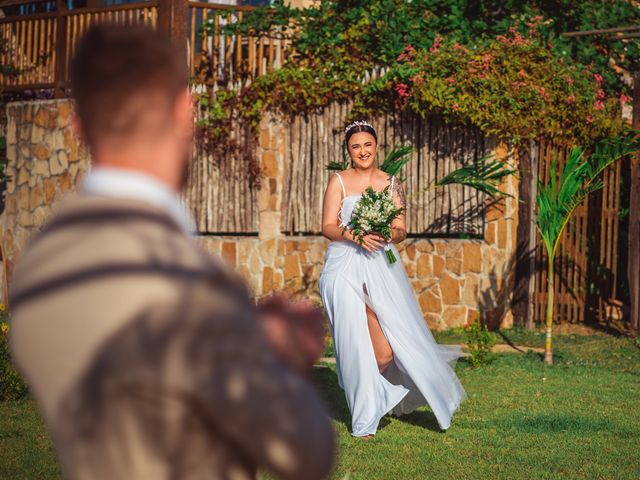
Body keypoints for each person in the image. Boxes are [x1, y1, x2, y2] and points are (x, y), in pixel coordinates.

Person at [9, 24, 335, 480]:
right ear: (186, 112)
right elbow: (307, 451)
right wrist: (280, 360)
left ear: (77, 125)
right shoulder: (194, 285)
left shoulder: (36, 269)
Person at [319, 120, 466, 438]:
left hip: (380, 264)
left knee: (385, 352)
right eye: (356, 146)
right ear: (349, 150)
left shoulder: (391, 183)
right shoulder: (339, 181)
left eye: (367, 145)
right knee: (354, 341)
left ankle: (393, 391)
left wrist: (385, 231)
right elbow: (328, 226)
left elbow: (401, 229)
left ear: (376, 146)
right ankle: (364, 417)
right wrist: (354, 234)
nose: (362, 151)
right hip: (344, 267)